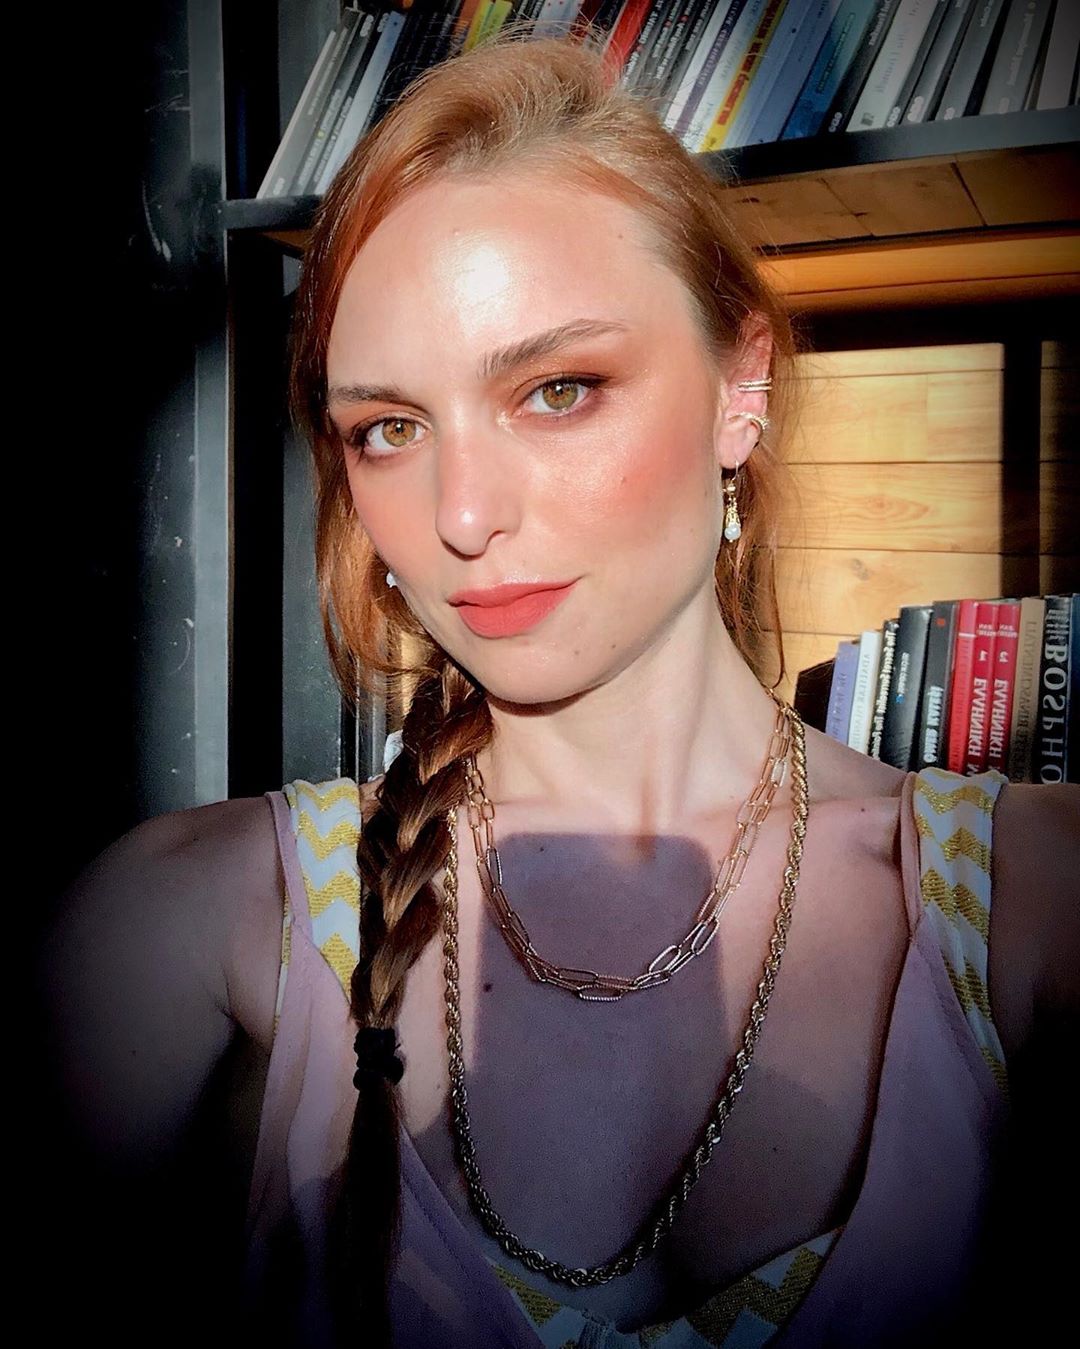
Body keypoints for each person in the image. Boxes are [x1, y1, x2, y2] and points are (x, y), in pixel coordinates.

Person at [36, 22, 1078, 1349]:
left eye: (558, 389)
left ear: (741, 386)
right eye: (389, 428)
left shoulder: (1028, 908)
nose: (461, 516)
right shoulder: (194, 924)